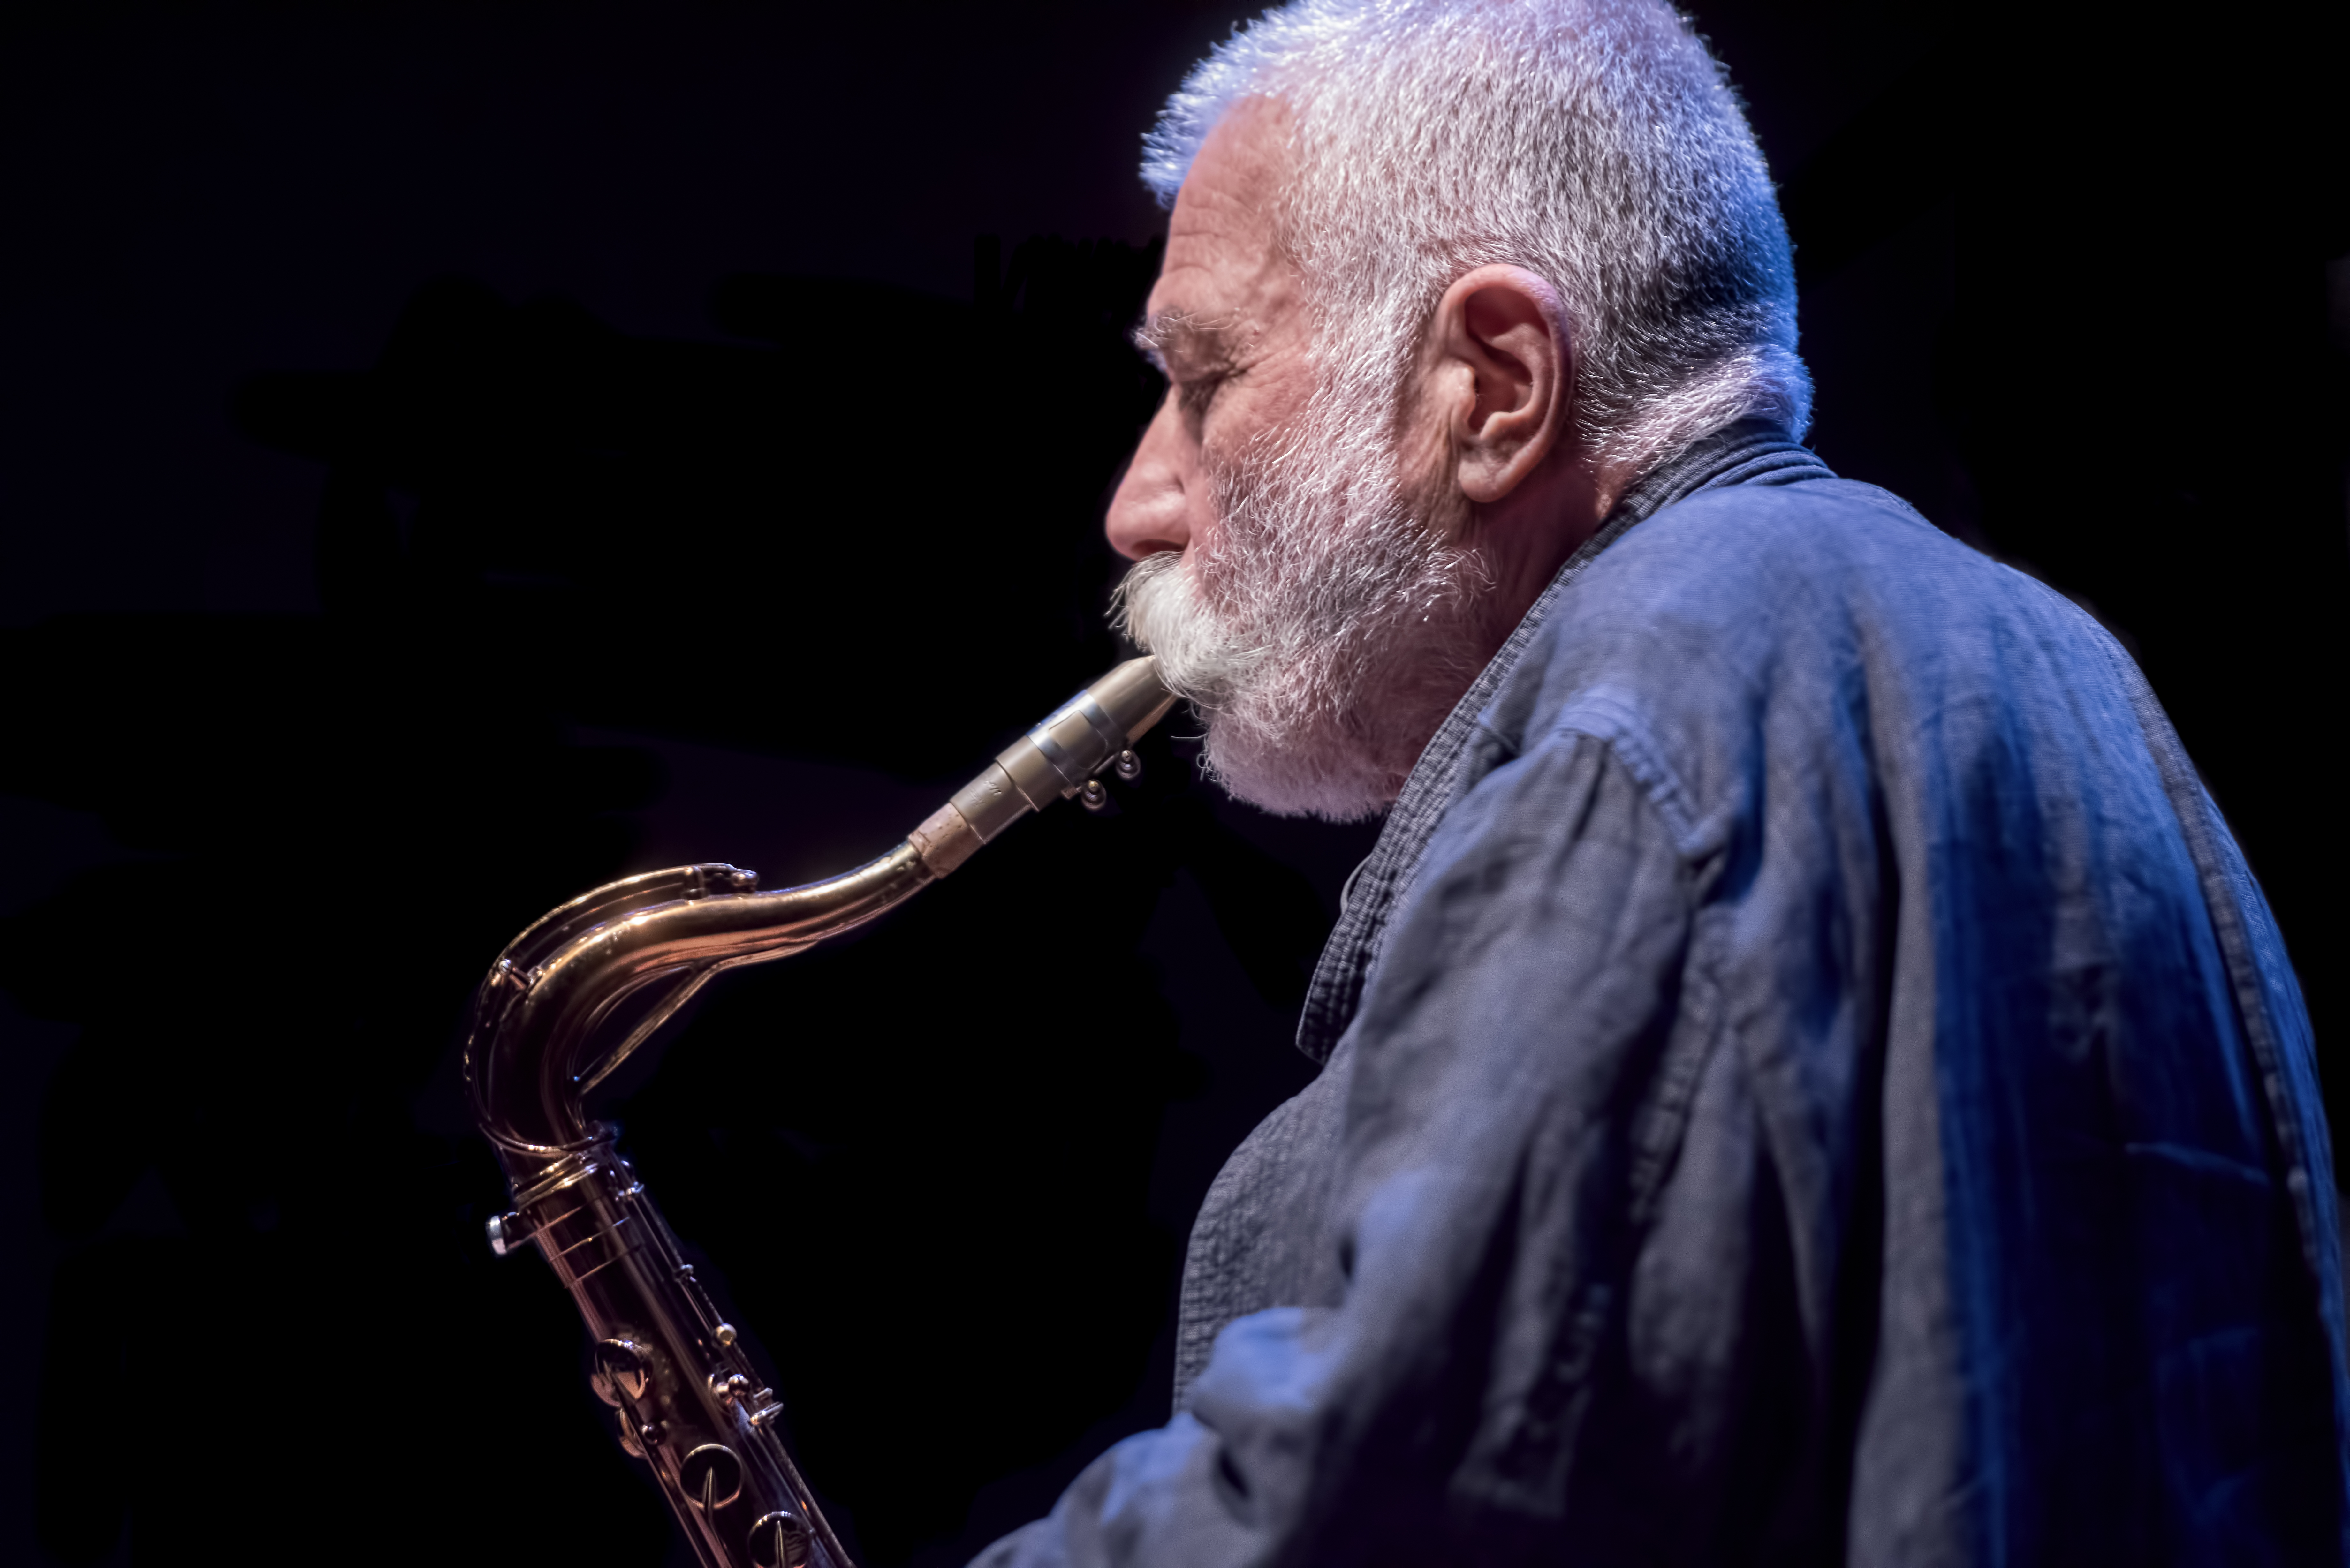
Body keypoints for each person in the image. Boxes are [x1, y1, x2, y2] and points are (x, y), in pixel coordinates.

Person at [980, 1, 2349, 1561]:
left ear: (1492, 388)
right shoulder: (2059, 673)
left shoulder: (1651, 710)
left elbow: (1372, 1508)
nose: (1136, 499)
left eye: (1205, 378)